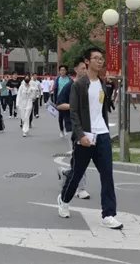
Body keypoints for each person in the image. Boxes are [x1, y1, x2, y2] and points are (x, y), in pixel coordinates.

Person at [57, 48, 122, 229]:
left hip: (102, 135)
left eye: (101, 59)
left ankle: (108, 214)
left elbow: (102, 109)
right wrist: (80, 135)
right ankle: (64, 199)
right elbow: (74, 112)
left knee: (107, 175)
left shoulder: (102, 83)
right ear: (87, 61)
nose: (100, 61)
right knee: (76, 174)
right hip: (85, 137)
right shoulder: (78, 84)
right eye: (96, 58)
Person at [55, 58, 89, 199]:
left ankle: (66, 172)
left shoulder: (89, 85)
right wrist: (73, 106)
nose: (85, 71)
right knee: (80, 157)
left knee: (80, 157)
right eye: (83, 68)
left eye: (86, 68)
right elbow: (59, 104)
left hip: (87, 127)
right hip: (72, 126)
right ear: (76, 70)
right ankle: (81, 188)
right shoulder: (70, 86)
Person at [53, 65, 71, 138]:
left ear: (66, 71)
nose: (63, 71)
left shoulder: (69, 79)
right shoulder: (57, 79)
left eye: (64, 70)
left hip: (67, 99)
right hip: (60, 99)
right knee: (61, 116)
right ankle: (61, 130)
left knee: (67, 115)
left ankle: (66, 129)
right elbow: (55, 89)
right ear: (59, 71)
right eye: (61, 70)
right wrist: (55, 101)